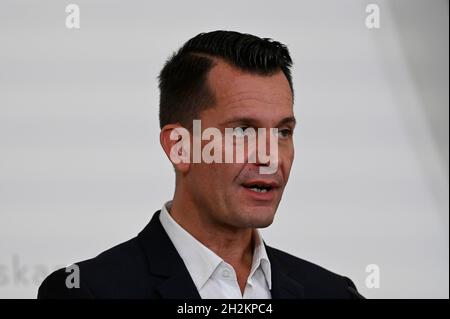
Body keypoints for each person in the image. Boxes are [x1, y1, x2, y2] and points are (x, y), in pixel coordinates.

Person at [38, 30, 363, 299]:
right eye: (242, 131)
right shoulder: (86, 292)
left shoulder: (334, 294)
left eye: (282, 132)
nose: (271, 157)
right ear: (179, 146)